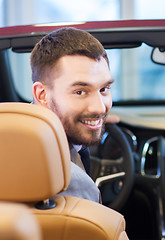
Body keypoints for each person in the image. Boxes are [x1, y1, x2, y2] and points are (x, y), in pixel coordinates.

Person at [31, 27, 116, 203]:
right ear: (42, 95)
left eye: (104, 89)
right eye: (80, 92)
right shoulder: (70, 181)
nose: (99, 108)